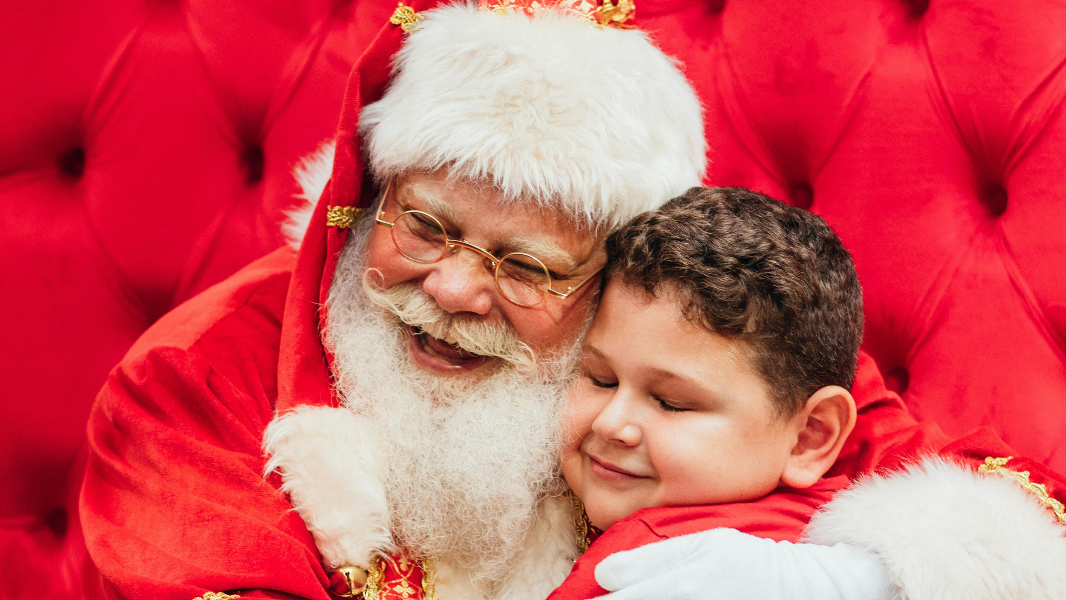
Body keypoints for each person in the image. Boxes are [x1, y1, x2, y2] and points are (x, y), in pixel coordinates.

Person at [78, 2, 1066, 600]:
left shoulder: (676, 337)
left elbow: (997, 521)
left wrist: (864, 580)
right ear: (361, 201)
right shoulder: (196, 373)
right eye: (421, 225)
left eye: (529, 265)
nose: (455, 288)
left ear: (614, 276)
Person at [551, 186, 877, 598]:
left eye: (672, 403)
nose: (610, 422)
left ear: (810, 436)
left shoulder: (686, 566)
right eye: (600, 378)